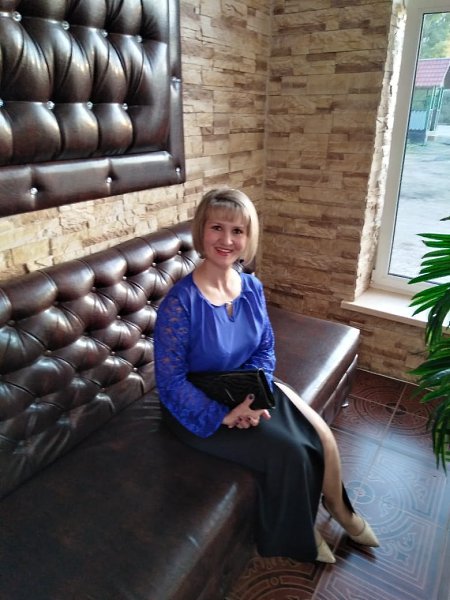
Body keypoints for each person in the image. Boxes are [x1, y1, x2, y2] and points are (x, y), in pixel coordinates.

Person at [153, 187, 379, 563]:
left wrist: (254, 395)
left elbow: (265, 348)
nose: (227, 240)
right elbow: (171, 383)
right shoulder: (180, 303)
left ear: (248, 237)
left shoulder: (252, 287)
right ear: (201, 231)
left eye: (237, 231)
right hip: (196, 405)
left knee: (321, 439)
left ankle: (341, 511)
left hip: (244, 386)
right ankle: (295, 535)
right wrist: (223, 414)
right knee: (292, 450)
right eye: (217, 227)